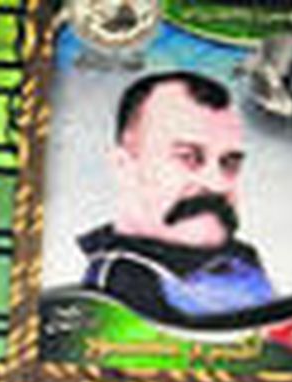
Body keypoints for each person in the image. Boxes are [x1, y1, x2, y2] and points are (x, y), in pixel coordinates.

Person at [77, 69, 275, 323]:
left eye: (229, 162)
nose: (216, 183)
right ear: (124, 166)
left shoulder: (242, 261)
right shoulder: (118, 289)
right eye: (188, 157)